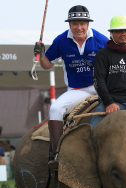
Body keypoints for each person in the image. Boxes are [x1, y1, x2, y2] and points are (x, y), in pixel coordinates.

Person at [34, 5, 108, 169]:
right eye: (75, 23)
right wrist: (40, 55)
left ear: (88, 24)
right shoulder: (61, 40)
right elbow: (47, 65)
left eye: (82, 23)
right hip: (77, 90)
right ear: (69, 24)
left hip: (101, 87)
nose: (79, 27)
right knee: (55, 109)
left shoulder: (101, 40)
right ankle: (56, 153)